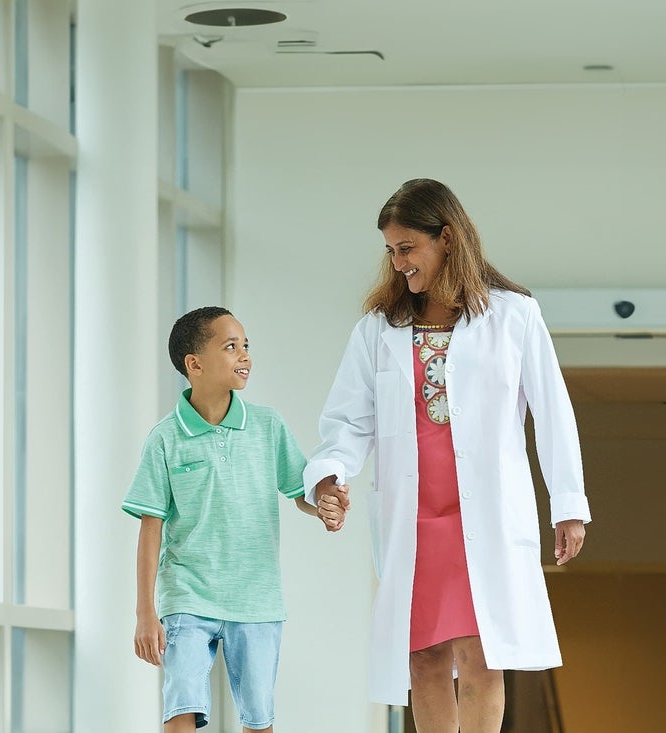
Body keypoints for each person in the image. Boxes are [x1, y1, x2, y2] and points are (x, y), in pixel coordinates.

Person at [306, 179, 590, 733]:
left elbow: (554, 415)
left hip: (481, 513)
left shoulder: (514, 316)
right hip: (414, 518)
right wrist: (329, 477)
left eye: (407, 248)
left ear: (448, 238)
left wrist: (569, 503)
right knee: (422, 657)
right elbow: (346, 421)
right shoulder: (378, 331)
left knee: (480, 654)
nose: (398, 263)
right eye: (391, 251)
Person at [124, 306, 330, 733]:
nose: (245, 357)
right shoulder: (164, 438)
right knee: (180, 707)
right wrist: (146, 612)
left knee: (258, 718)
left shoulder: (267, 425)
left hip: (257, 599)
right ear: (194, 364)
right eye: (231, 347)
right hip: (187, 597)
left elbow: (301, 491)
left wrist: (324, 500)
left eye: (246, 346)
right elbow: (151, 528)